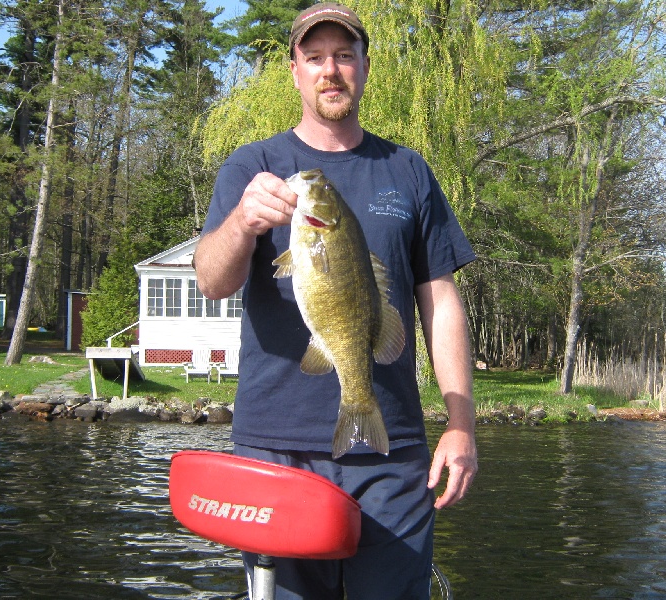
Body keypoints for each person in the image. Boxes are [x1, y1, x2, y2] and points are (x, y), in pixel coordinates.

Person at [194, 3, 477, 598]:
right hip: (277, 445)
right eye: (315, 57)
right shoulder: (253, 166)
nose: (331, 70)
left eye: (344, 56)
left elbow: (441, 302)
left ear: (364, 68)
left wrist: (460, 424)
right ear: (295, 71)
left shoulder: (408, 172)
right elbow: (212, 281)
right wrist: (243, 223)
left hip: (392, 451)